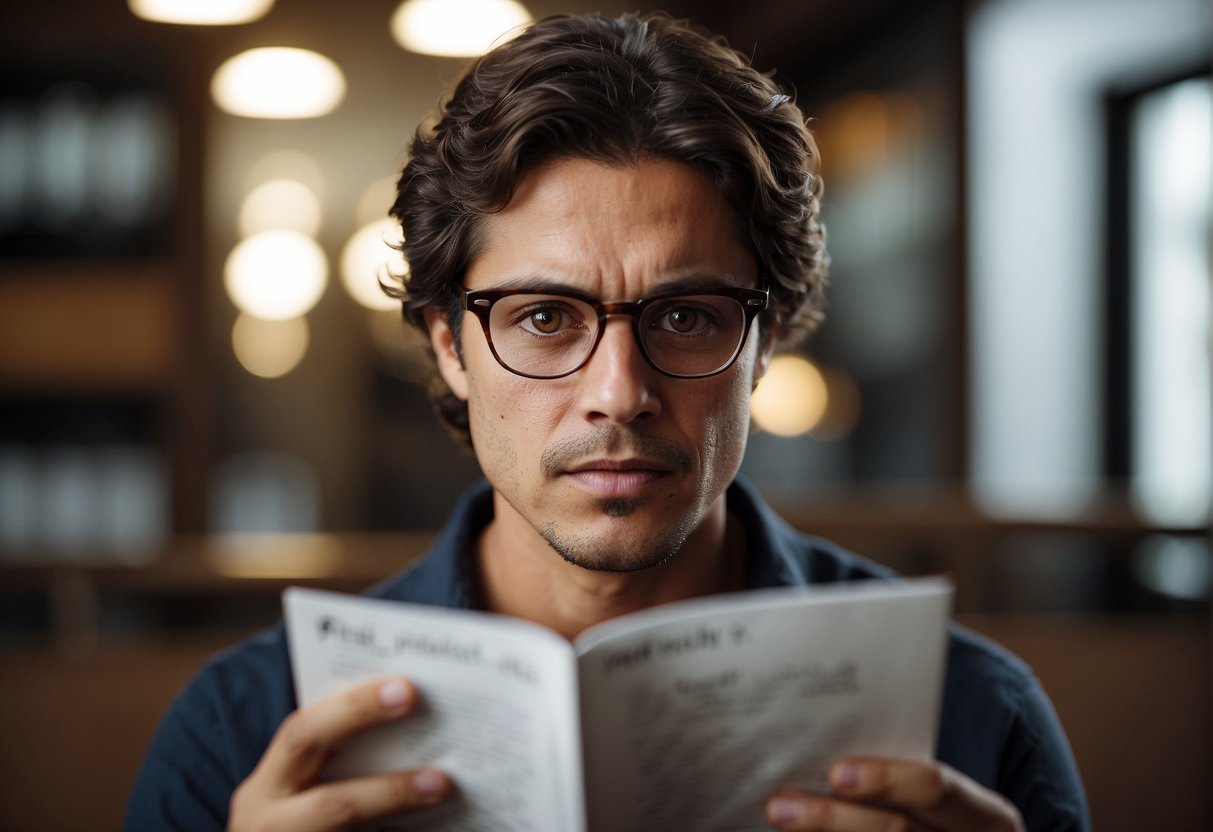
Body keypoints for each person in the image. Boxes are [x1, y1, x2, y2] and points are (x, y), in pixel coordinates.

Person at [127, 12, 1090, 831]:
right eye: (544, 319)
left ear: (768, 341)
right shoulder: (244, 733)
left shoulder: (970, 718)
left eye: (685, 317)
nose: (618, 391)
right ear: (450, 346)